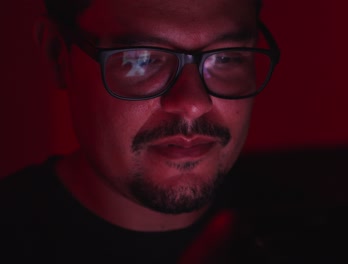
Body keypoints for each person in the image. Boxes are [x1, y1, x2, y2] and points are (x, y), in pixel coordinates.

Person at [0, 0, 283, 263]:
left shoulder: (308, 227)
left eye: (227, 58)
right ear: (58, 56)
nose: (194, 104)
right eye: (141, 59)